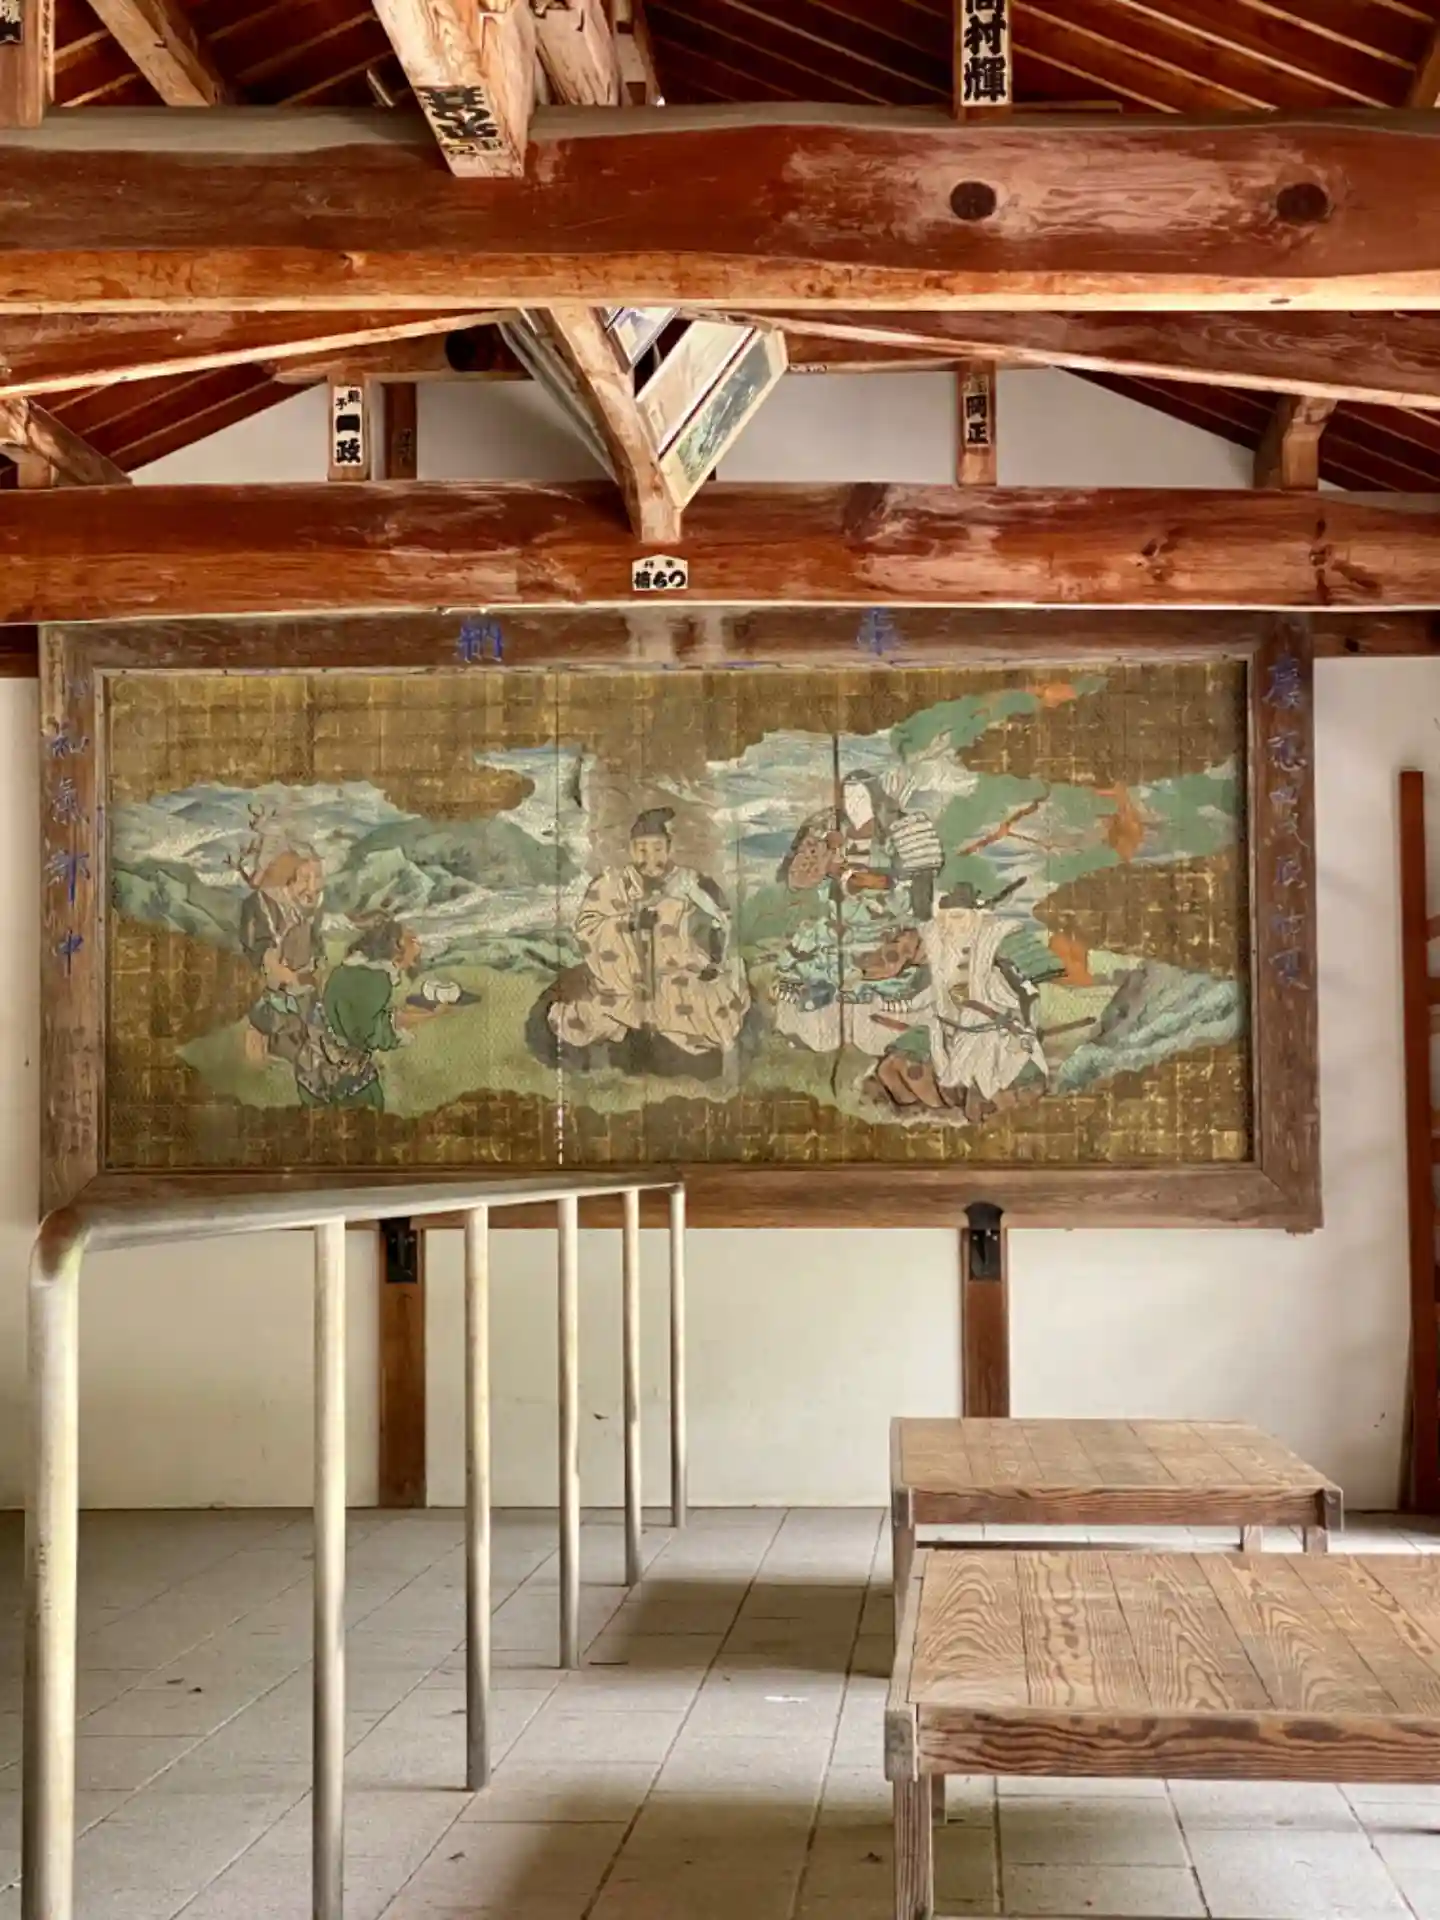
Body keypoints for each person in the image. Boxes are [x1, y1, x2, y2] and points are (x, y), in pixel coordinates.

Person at [536, 808, 750, 1079]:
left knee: (708, 1008)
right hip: (622, 978)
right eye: (642, 849)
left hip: (679, 971)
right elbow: (588, 928)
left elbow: (718, 924)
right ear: (630, 849)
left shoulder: (689, 882)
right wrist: (629, 924)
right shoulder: (611, 884)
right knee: (590, 1015)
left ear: (669, 848)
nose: (650, 858)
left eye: (658, 849)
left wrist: (710, 956)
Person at [293, 917, 426, 1111]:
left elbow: (362, 1016)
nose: (418, 942)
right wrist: (426, 1016)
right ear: (396, 948)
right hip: (333, 1078)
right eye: (411, 939)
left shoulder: (356, 969)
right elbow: (370, 1033)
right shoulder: (376, 980)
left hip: (313, 1066)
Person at [239, 850, 325, 1067]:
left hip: (304, 993)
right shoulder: (258, 905)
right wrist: (277, 968)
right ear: (287, 877)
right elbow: (258, 951)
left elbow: (316, 943)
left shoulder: (310, 906)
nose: (313, 886)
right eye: (305, 878)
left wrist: (318, 966)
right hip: (272, 997)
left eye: (317, 876)